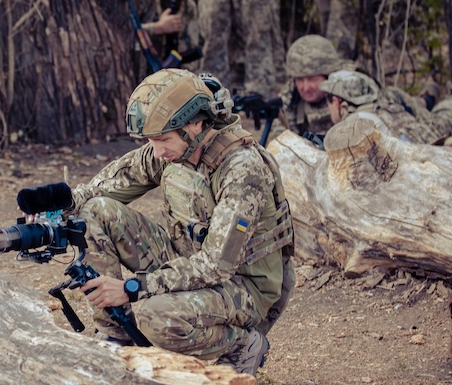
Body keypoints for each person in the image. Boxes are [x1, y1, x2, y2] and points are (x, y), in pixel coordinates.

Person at [17, 69, 294, 376]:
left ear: (195, 124)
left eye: (163, 139)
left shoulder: (242, 169)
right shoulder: (175, 149)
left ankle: (242, 344)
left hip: (244, 288)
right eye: (151, 140)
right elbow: (107, 187)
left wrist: (133, 288)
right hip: (187, 264)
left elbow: (217, 265)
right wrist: (60, 205)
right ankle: (117, 335)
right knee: (94, 212)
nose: (157, 151)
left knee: (154, 317)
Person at [320, 70, 452, 144]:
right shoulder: (379, 103)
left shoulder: (351, 125)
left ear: (336, 101)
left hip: (425, 147)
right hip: (429, 133)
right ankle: (434, 96)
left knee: (450, 112)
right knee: (444, 114)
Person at [280, 34, 350, 138]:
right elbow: (281, 135)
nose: (306, 88)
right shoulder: (290, 96)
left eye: (313, 79)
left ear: (328, 77)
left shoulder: (350, 91)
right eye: (300, 80)